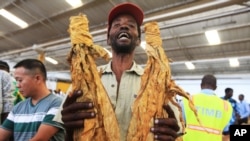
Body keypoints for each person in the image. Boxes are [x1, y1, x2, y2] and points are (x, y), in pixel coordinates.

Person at [54, 2, 182, 141]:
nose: (124, 26)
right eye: (116, 25)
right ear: (108, 39)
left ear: (139, 40)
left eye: (131, 25)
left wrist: (172, 137)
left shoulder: (156, 82)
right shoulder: (86, 79)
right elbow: (70, 134)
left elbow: (175, 132)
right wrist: (69, 131)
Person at [0, 59, 65, 141]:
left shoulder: (57, 104)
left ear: (37, 78)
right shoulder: (18, 107)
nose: (17, 85)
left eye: (20, 80)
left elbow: (40, 139)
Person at [182, 74, 233, 141]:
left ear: (200, 85)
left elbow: (181, 123)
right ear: (215, 88)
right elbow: (226, 130)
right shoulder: (226, 105)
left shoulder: (188, 100)